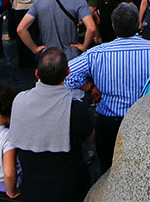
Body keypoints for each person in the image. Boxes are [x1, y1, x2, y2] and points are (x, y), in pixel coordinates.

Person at [64, 3, 150, 172]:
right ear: (137, 25)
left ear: (113, 26)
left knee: (109, 172)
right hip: (147, 122)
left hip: (109, 124)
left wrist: (90, 88)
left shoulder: (97, 53)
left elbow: (66, 75)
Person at [10, 48, 95, 200]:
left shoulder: (19, 100)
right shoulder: (75, 108)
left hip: (32, 185)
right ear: (68, 72)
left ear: (37, 74)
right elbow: (89, 137)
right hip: (69, 186)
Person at [17, 0, 96, 58]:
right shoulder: (79, 1)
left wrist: (35, 49)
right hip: (71, 55)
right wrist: (84, 47)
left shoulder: (40, 1)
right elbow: (91, 28)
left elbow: (21, 28)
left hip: (48, 55)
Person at [9, 0, 42, 68]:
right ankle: (32, 57)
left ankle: (23, 60)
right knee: (32, 33)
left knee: (21, 34)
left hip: (19, 8)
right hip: (33, 7)